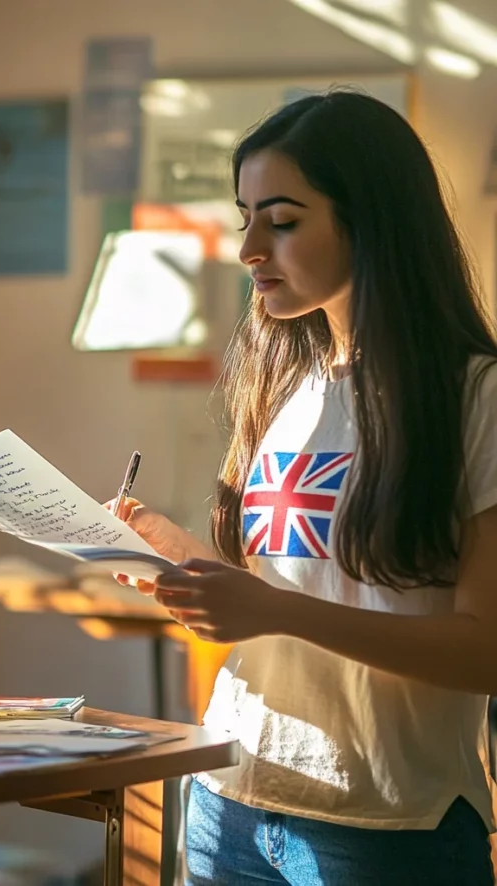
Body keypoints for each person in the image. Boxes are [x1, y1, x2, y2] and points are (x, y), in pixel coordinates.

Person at [114, 90, 497, 885]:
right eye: (244, 215)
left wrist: (276, 609)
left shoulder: (476, 398)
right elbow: (286, 598)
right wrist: (191, 570)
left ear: (373, 222)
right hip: (232, 797)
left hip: (388, 823)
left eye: (281, 220)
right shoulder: (289, 386)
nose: (249, 246)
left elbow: (485, 646)